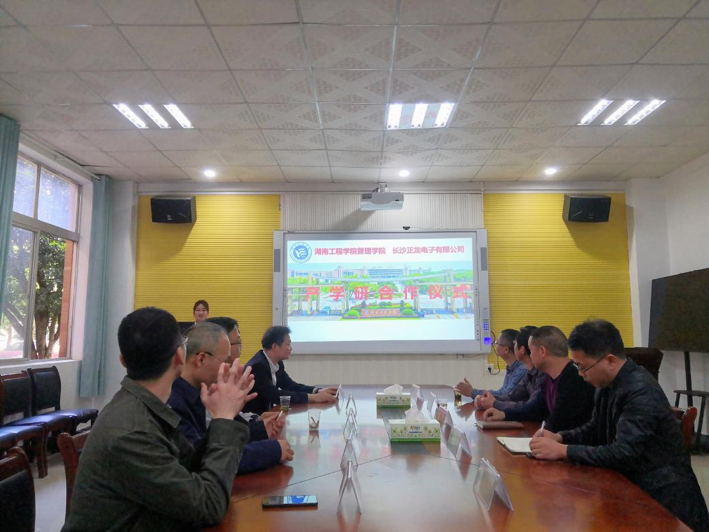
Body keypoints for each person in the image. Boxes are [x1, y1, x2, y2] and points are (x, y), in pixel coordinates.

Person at [63, 307, 255, 531]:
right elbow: (208, 506)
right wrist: (223, 419)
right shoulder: (132, 433)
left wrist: (221, 417)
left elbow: (191, 469)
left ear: (123, 360)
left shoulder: (143, 406)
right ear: (180, 356)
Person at [530, 320, 709, 532]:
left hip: (665, 503)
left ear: (610, 361)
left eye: (583, 367)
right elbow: (595, 428)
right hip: (632, 489)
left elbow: (623, 453)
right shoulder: (606, 384)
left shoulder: (640, 390)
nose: (580, 374)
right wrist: (560, 437)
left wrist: (563, 451)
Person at [168, 322, 293, 473]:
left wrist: (261, 429)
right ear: (201, 359)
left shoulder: (198, 391)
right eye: (226, 362)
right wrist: (272, 451)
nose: (231, 367)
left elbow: (217, 441)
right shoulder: (173, 401)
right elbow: (208, 459)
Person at [483, 326, 595, 432]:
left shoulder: (574, 379)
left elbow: (559, 422)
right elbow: (535, 409)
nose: (530, 356)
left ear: (542, 351)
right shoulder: (549, 377)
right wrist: (504, 414)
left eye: (531, 351)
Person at [244, 325, 337, 415]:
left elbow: (290, 385)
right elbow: (274, 395)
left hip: (267, 415)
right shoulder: (258, 366)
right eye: (288, 344)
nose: (291, 348)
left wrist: (317, 391)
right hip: (252, 419)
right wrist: (314, 398)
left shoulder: (277, 363)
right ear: (275, 347)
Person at [474, 326, 545, 411]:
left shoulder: (536, 373)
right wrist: (485, 399)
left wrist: (493, 403)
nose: (513, 346)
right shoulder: (529, 373)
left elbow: (530, 407)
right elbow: (512, 396)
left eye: (515, 343)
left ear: (522, 350)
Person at [455, 329, 525, 399]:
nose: (494, 345)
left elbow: (505, 396)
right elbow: (501, 392)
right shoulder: (511, 367)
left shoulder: (521, 369)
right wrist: (473, 392)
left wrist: (472, 392)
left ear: (506, 349)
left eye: (497, 342)